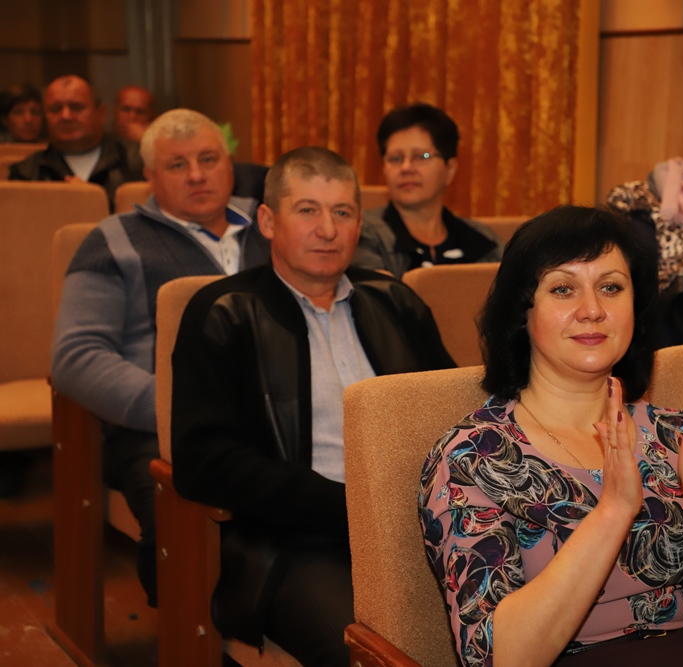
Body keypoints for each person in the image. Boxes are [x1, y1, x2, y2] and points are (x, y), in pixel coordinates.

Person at [419, 206, 683, 666]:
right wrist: (612, 512)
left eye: (611, 287)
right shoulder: (475, 457)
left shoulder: (680, 437)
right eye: (562, 289)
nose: (592, 310)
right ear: (522, 312)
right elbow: (494, 658)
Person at [170, 146, 455, 665]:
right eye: (307, 210)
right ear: (267, 221)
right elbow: (203, 461)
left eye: (342, 212)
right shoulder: (224, 313)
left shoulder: (395, 301)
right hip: (294, 541)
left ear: (359, 225)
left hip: (423, 528)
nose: (327, 229)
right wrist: (344, 510)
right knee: (379, 656)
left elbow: (454, 416)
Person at [51, 108, 271, 607]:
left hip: (280, 413)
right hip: (158, 425)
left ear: (229, 164)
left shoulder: (272, 225)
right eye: (177, 165)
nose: (196, 175)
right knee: (187, 513)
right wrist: (177, 408)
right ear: (149, 176)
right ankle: (188, 630)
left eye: (208, 159)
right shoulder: (112, 241)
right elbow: (76, 356)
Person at [351, 102, 502, 278]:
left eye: (421, 156)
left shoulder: (484, 241)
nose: (406, 168)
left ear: (450, 169)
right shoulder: (363, 234)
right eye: (395, 158)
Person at [8, 74, 143, 206]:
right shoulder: (25, 172)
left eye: (76, 107)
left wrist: (95, 200)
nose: (65, 116)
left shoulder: (138, 161)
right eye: (56, 109)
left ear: (101, 113)